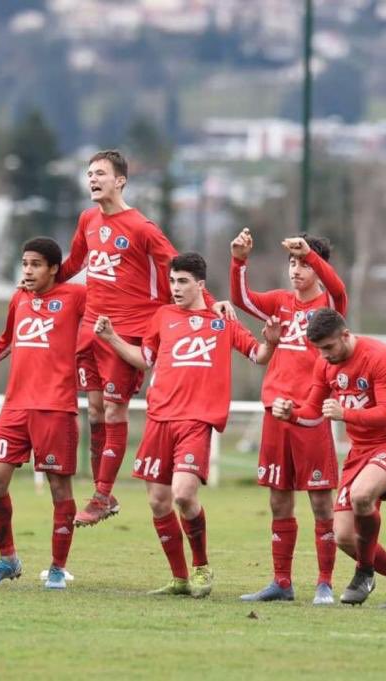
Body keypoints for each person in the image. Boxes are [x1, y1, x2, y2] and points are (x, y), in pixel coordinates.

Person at [55, 150, 228, 527]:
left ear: (120, 181)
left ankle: (101, 496)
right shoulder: (87, 219)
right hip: (92, 329)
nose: (92, 179)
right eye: (89, 173)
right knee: (95, 410)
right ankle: (103, 493)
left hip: (127, 331)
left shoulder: (142, 228)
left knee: (114, 410)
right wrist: (44, 281)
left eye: (100, 173)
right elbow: (74, 263)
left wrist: (209, 304)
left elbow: (180, 269)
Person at [95, 252, 277, 598]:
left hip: (196, 420)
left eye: (183, 282)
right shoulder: (163, 316)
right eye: (172, 281)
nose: (175, 288)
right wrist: (112, 338)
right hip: (159, 417)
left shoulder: (221, 320)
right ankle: (179, 579)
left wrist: (270, 339)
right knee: (158, 502)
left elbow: (259, 356)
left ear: (200, 285)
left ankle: (202, 567)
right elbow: (144, 360)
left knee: (183, 494)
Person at [272, 308, 386, 609]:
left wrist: (345, 414)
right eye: (319, 349)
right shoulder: (325, 364)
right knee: (342, 536)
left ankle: (364, 572)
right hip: (361, 451)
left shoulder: (380, 357)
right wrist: (291, 414)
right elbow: (313, 409)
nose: (324, 355)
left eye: (328, 347)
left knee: (361, 495)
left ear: (345, 335)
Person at [230, 229, 349, 605]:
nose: (296, 270)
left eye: (304, 264)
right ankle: (281, 582)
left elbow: (338, 287)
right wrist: (239, 260)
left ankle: (324, 583)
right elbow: (242, 299)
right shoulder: (279, 303)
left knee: (321, 502)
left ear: (318, 266)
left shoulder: (329, 306)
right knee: (279, 501)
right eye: (292, 263)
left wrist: (311, 254)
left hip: (310, 415)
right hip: (275, 414)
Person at [0, 238, 85, 590]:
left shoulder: (76, 296)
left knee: (58, 487)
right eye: (24, 264)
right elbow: (6, 341)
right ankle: (7, 559)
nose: (28, 271)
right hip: (15, 407)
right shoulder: (19, 298)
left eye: (36, 264)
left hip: (56, 407)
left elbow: (117, 304)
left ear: (54, 268)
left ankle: (57, 568)